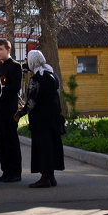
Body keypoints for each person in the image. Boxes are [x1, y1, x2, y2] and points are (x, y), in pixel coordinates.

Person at [17, 49, 65, 188]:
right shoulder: (53, 75)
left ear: (33, 62)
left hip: (41, 119)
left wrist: (21, 113)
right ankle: (51, 177)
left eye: (28, 60)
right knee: (52, 146)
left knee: (43, 148)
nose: (27, 63)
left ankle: (45, 178)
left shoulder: (37, 79)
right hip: (54, 117)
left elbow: (32, 101)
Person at [0, 38, 24, 182]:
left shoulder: (15, 66)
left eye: (0, 49)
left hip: (9, 110)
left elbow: (15, 87)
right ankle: (5, 171)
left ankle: (15, 172)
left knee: (11, 141)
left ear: (8, 50)